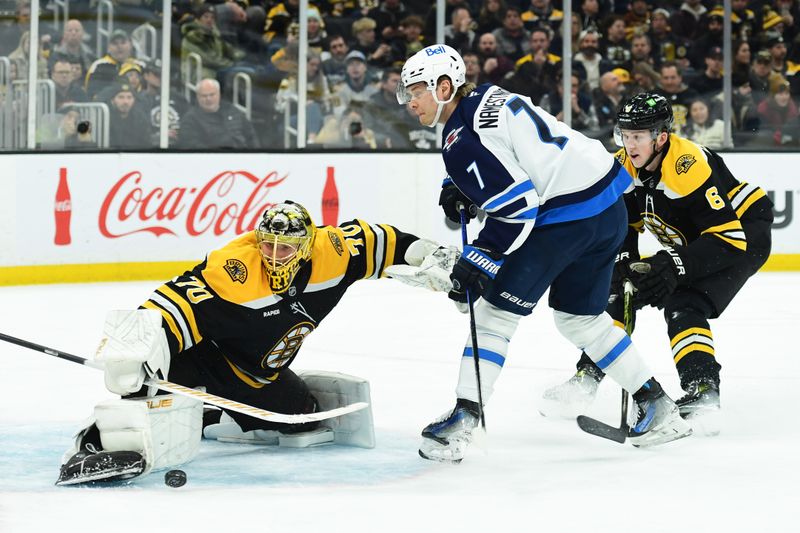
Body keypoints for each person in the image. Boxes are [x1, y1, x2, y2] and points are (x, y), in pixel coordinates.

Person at [396, 44, 692, 462]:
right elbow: (516, 157)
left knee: (493, 314)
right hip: (609, 207)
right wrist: (463, 185)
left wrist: (480, 259)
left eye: (417, 90)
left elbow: (519, 207)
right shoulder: (487, 97)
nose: (411, 101)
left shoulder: (459, 139)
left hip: (567, 217)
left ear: (445, 86)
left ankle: (464, 419)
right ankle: (658, 405)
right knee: (580, 319)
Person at [56, 201, 459, 485]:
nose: (274, 254)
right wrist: (135, 349)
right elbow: (172, 303)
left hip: (253, 378)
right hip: (200, 358)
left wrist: (434, 257)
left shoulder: (334, 252)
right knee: (148, 380)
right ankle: (99, 440)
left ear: (306, 246)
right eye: (267, 244)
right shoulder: (234, 270)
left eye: (285, 248)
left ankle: (209, 417)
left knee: (307, 417)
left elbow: (381, 240)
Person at [541, 93, 773, 436]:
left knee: (685, 303)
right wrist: (623, 261)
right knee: (621, 289)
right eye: (625, 134)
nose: (629, 143)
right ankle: (586, 378)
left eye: (638, 136)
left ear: (661, 137)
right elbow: (625, 227)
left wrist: (674, 264)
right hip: (696, 241)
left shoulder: (687, 165)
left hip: (743, 233)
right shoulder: (624, 165)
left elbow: (728, 238)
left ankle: (703, 391)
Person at [179, 78, 259, 149]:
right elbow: (191, 146)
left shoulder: (232, 110)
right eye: (204, 96)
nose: (208, 99)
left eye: (212, 94)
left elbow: (251, 136)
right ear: (197, 97)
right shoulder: (190, 119)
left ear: (219, 94)